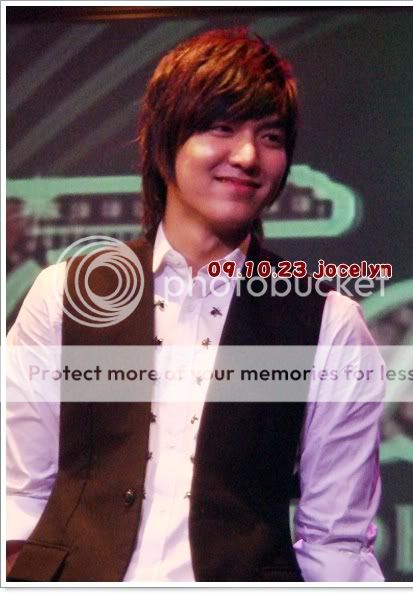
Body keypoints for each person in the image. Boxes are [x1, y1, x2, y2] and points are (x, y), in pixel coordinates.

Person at [6, 27, 384, 582]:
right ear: (166, 140)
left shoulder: (327, 322)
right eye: (221, 128)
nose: (248, 156)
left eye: (270, 136)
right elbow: (17, 498)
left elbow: (337, 541)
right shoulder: (66, 294)